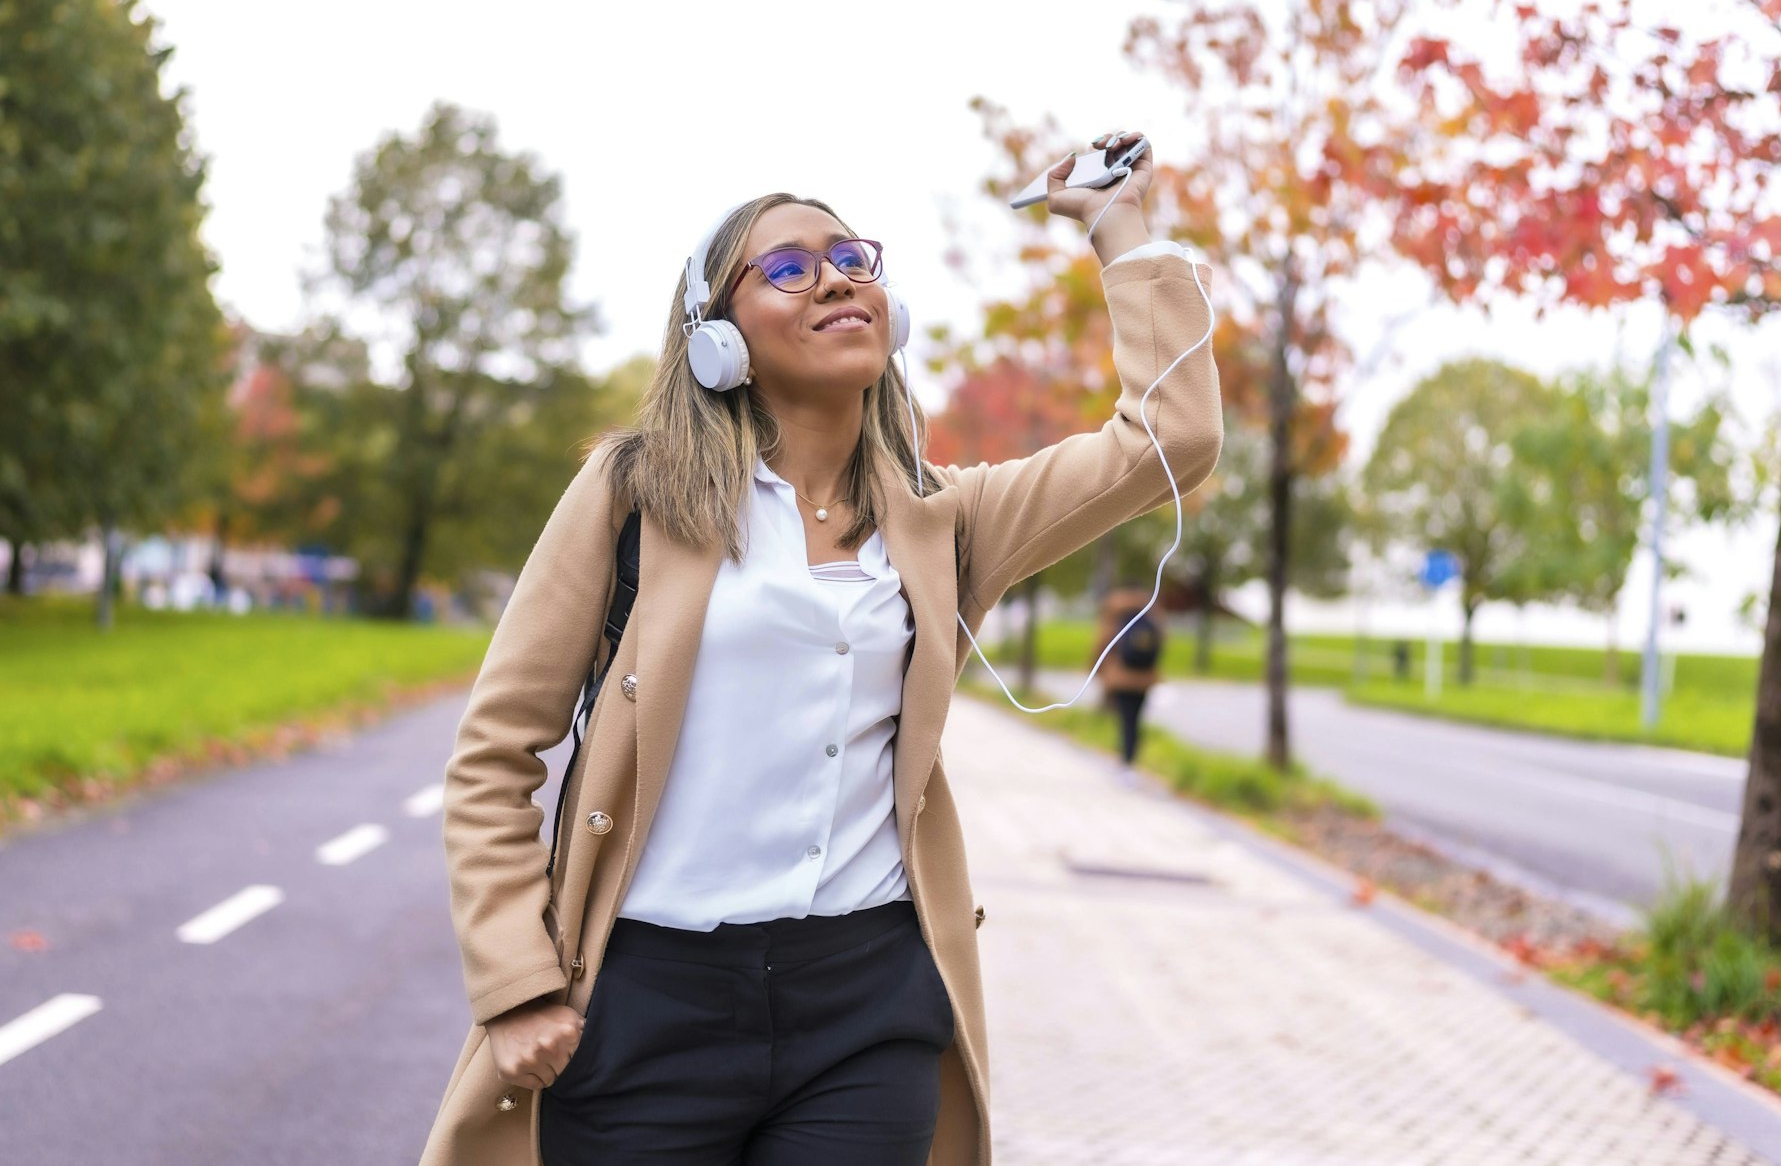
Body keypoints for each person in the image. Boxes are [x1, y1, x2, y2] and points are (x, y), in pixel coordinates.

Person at [420, 130, 1224, 1166]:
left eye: (852, 260)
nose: (834, 280)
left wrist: (1119, 225)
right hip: (647, 1002)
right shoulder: (634, 492)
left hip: (865, 1003)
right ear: (717, 335)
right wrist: (514, 979)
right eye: (788, 268)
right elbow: (496, 751)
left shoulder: (943, 516)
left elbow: (1171, 438)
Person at [1091, 582, 1164, 768]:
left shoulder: (1114, 612)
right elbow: (1162, 640)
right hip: (1144, 678)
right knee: (1136, 720)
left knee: (1125, 720)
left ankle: (1125, 762)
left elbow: (1102, 643)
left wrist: (1096, 670)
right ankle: (1131, 761)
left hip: (1121, 677)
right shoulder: (1150, 609)